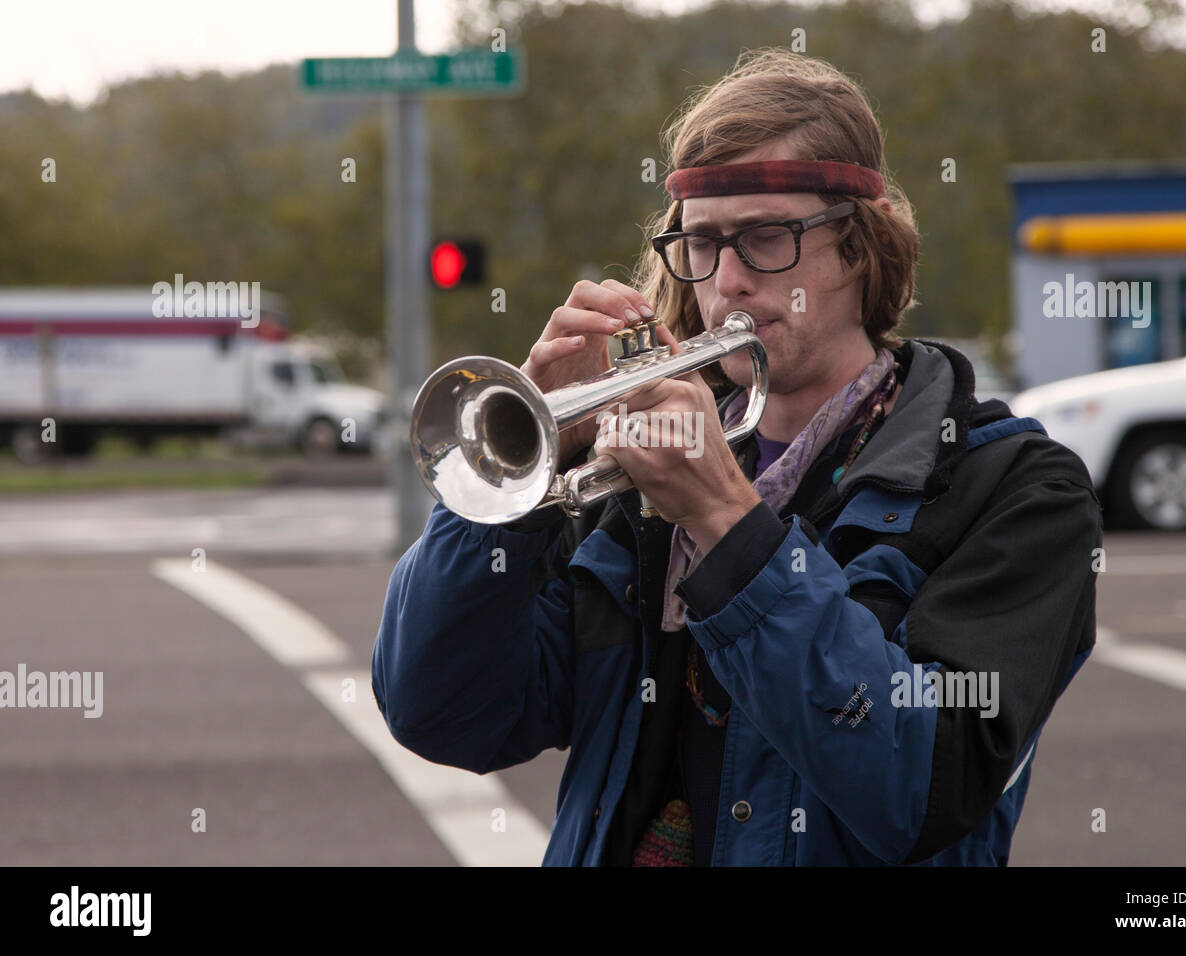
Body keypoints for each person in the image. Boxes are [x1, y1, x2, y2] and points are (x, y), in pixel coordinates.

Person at [371, 48, 1101, 866]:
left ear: (860, 247)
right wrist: (518, 496)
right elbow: (445, 712)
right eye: (703, 244)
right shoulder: (635, 480)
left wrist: (726, 520)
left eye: (765, 239)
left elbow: (922, 786)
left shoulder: (1013, 488)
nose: (728, 282)